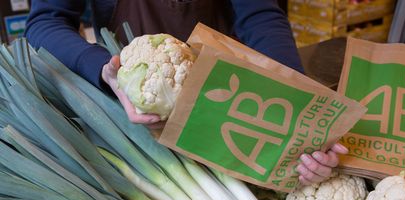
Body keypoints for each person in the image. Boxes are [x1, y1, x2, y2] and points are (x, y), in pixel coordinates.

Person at [25, 0, 348, 185]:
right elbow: (44, 24)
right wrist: (108, 72)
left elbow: (260, 15)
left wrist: (298, 103)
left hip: (230, 104)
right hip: (134, 116)